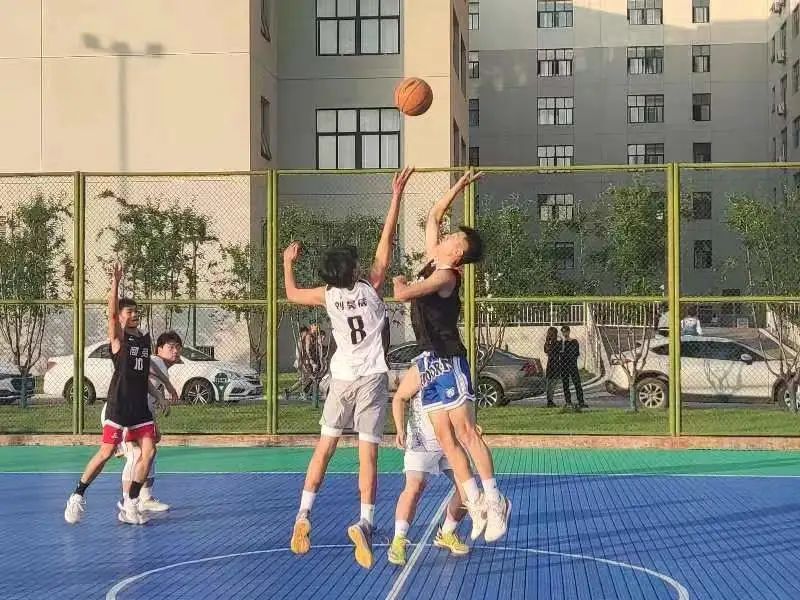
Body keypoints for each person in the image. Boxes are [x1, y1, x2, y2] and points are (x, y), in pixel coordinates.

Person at [286, 166, 414, 570]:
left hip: (339, 378)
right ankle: (365, 522)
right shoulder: (371, 286)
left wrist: (287, 262)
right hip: (371, 378)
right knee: (367, 456)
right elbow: (386, 240)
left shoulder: (327, 296)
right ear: (354, 270)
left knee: (324, 448)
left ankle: (303, 514)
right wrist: (396, 195)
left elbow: (291, 293)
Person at [392, 169, 511, 544]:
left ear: (458, 252)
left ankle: (496, 501)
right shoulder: (433, 259)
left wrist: (399, 282)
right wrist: (458, 186)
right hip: (429, 360)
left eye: (453, 237)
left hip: (449, 358)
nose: (445, 236)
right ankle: (474, 502)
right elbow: (433, 216)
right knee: (445, 438)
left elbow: (404, 294)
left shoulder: (446, 276)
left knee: (466, 433)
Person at [64, 263, 158, 525]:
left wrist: (159, 395)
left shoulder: (144, 340)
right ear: (121, 315)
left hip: (139, 408)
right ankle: (77, 495)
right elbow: (111, 315)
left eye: (136, 311)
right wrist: (116, 283)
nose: (135, 314)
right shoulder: (118, 340)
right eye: (130, 311)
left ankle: (131, 502)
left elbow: (143, 374)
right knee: (106, 453)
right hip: (119, 406)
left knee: (149, 452)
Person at [387, 384, 469, 566]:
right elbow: (399, 398)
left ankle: (447, 532)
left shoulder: (459, 371)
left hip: (451, 441)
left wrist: (469, 427)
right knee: (415, 486)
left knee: (467, 490)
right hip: (422, 440)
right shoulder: (420, 370)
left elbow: (463, 403)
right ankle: (398, 540)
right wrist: (400, 429)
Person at [112, 331, 182, 514]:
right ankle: (127, 500)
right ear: (159, 349)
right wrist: (168, 384)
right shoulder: (157, 361)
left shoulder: (161, 367)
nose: (175, 351)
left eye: (178, 347)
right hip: (124, 413)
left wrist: (153, 422)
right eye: (171, 347)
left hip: (139, 414)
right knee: (136, 454)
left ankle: (144, 498)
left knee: (149, 454)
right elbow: (146, 364)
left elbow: (147, 397)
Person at [560, 325, 585, 410]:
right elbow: (559, 353)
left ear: (569, 331)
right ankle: (568, 402)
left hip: (572, 365)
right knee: (565, 384)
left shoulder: (574, 342)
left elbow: (575, 353)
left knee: (577, 383)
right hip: (563, 366)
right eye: (563, 332)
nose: (565, 333)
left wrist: (566, 355)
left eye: (566, 331)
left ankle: (581, 401)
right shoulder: (561, 342)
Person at [544, 326, 564, 408]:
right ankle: (550, 400)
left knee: (549, 383)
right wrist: (560, 339)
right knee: (553, 383)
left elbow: (546, 351)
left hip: (550, 364)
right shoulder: (557, 342)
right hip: (556, 363)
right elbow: (560, 349)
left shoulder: (548, 343)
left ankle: (549, 400)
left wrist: (548, 341)